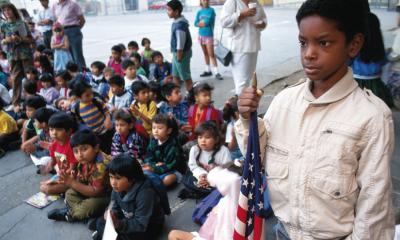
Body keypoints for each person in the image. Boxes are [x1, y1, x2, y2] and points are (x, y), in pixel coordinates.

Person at [236, 0, 395, 238]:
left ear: (353, 45)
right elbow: (256, 159)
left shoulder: (372, 117)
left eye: (323, 43)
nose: (309, 53)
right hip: (284, 232)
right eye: (303, 43)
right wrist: (248, 120)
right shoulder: (284, 101)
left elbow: (373, 210)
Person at [91, 154, 165, 240]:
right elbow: (113, 204)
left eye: (118, 178)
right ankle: (106, 235)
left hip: (148, 225)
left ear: (132, 178)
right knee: (100, 222)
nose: (113, 183)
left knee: (130, 236)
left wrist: (118, 224)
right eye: (111, 177)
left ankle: (104, 235)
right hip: (128, 218)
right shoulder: (117, 188)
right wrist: (111, 213)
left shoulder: (145, 194)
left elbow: (141, 224)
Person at [47, 129, 111, 222]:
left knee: (91, 205)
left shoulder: (102, 164)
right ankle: (84, 215)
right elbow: (82, 180)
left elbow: (96, 192)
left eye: (84, 149)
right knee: (69, 193)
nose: (80, 155)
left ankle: (69, 215)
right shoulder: (84, 161)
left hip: (107, 196)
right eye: (76, 151)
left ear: (96, 148)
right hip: (91, 192)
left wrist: (72, 183)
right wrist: (66, 179)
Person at [168, 167, 241, 240]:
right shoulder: (225, 200)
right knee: (173, 234)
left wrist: (207, 178)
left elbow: (233, 181)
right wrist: (202, 176)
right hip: (209, 234)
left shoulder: (234, 202)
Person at [220, 0, 267, 94]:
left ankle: (247, 105)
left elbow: (264, 19)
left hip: (254, 46)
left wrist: (261, 24)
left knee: (249, 79)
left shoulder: (256, 3)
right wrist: (241, 15)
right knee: (241, 82)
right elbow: (224, 21)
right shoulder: (232, 2)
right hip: (239, 48)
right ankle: (241, 106)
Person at [351, 12, 394, 108]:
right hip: (376, 88)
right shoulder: (381, 51)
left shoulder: (353, 50)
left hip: (355, 86)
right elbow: (385, 74)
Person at [185, 121, 232, 194]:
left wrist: (210, 180)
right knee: (188, 178)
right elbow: (193, 166)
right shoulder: (195, 149)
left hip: (217, 179)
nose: (203, 140)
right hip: (201, 176)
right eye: (200, 137)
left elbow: (227, 170)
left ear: (216, 139)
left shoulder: (223, 151)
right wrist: (202, 176)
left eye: (207, 137)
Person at [0, 3, 34, 105]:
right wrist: (7, 40)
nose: (7, 12)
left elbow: (30, 40)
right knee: (15, 79)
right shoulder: (3, 26)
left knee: (30, 77)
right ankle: (16, 103)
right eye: (5, 11)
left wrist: (20, 38)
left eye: (9, 10)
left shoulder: (21, 23)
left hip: (25, 54)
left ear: (13, 11)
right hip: (12, 54)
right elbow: (1, 41)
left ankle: (33, 98)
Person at [69, 80, 113, 154]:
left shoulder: (96, 101)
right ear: (79, 97)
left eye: (91, 93)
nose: (91, 96)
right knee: (105, 151)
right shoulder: (76, 108)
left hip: (107, 130)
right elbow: (78, 122)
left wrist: (108, 119)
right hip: (96, 135)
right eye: (87, 95)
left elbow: (106, 111)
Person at [40, 112, 78, 195]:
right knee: (43, 187)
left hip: (72, 176)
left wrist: (59, 178)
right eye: (51, 129)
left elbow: (73, 169)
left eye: (59, 129)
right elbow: (53, 161)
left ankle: (71, 189)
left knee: (48, 189)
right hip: (61, 173)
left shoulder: (71, 146)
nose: (54, 133)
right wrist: (47, 168)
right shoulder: (53, 145)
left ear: (69, 131)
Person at [143, 114, 183, 187]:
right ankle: (152, 184)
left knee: (168, 179)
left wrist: (155, 168)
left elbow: (171, 165)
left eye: (160, 128)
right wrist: (153, 165)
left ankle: (155, 186)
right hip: (156, 167)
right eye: (154, 127)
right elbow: (148, 156)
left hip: (171, 170)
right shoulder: (153, 140)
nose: (155, 131)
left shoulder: (173, 145)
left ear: (168, 130)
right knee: (143, 170)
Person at [167, 0, 194, 92]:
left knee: (186, 77)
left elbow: (180, 44)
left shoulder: (180, 25)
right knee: (175, 75)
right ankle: (176, 96)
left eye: (169, 10)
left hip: (181, 54)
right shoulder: (177, 21)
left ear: (176, 11)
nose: (167, 12)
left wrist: (179, 58)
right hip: (177, 54)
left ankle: (192, 97)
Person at [52, 0, 86, 70]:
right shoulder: (55, 5)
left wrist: (76, 29)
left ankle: (83, 74)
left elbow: (82, 20)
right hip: (60, 32)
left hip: (73, 30)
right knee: (66, 55)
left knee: (77, 55)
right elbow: (56, 20)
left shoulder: (73, 4)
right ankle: (71, 75)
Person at [195, 0, 223, 80]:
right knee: (205, 53)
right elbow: (195, 23)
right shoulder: (199, 12)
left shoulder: (211, 10)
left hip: (209, 35)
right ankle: (207, 70)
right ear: (201, 1)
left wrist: (200, 23)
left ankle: (217, 72)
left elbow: (208, 22)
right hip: (201, 35)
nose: (205, 1)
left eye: (207, 0)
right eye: (203, 0)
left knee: (211, 54)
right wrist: (200, 23)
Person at [222, 95, 243, 161]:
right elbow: (231, 148)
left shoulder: (247, 119)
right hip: (238, 155)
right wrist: (233, 136)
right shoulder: (231, 126)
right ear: (236, 113)